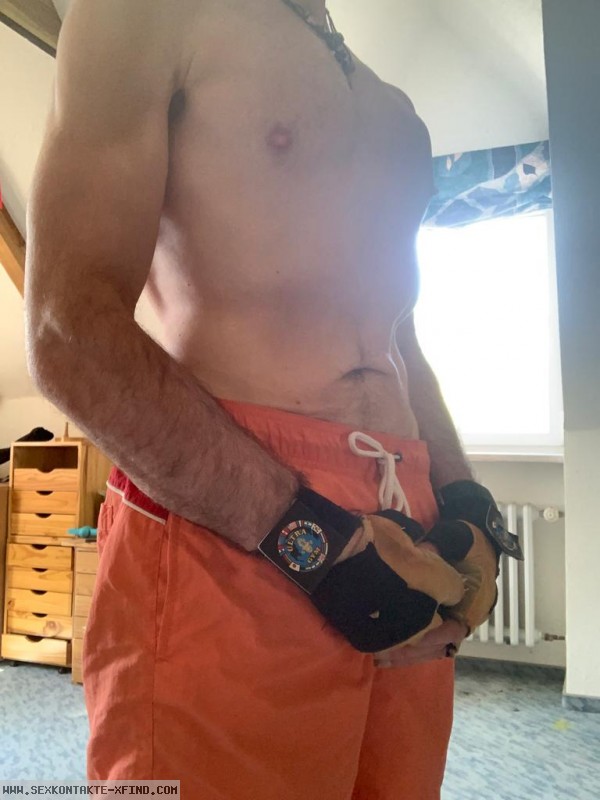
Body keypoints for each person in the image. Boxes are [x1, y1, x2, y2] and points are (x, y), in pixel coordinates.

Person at [25, 1, 519, 797]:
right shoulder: (141, 13)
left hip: (409, 523)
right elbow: (69, 329)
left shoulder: (397, 114)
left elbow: (398, 339)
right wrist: (312, 541)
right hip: (232, 518)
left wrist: (465, 503)